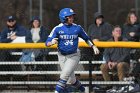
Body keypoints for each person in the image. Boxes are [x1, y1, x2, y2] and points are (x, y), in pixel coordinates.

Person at [45, 8, 100, 93]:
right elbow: (47, 43)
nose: (72, 18)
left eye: (72, 16)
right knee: (71, 80)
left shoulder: (77, 28)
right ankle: (84, 90)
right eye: (69, 17)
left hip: (74, 55)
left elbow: (86, 38)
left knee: (64, 76)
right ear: (63, 18)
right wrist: (51, 42)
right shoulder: (57, 28)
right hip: (62, 56)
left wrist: (93, 46)